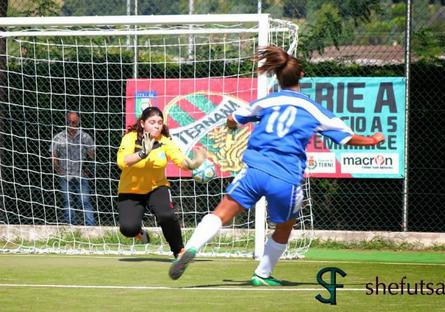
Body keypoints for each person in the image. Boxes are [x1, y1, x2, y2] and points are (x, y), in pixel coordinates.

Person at [169, 46, 385, 285]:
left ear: (277, 76)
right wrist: (372, 140)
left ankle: (192, 247)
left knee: (221, 213)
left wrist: (232, 126)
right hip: (286, 177)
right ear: (301, 75)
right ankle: (262, 274)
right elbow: (346, 137)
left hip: (254, 170)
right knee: (284, 226)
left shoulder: (268, 100)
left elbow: (234, 119)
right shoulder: (313, 108)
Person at [117, 106, 206, 258]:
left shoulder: (164, 141)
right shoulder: (130, 138)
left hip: (157, 187)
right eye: (152, 122)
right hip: (130, 190)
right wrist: (143, 153)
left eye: (159, 122)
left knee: (167, 215)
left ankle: (179, 251)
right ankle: (138, 232)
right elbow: (122, 162)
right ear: (143, 123)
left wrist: (193, 164)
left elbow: (179, 159)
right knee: (128, 229)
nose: (157, 125)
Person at [51, 111, 96, 226]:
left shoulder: (85, 137)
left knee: (85, 201)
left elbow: (92, 155)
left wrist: (89, 169)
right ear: (66, 121)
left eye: (74, 121)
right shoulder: (58, 137)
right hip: (64, 174)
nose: (72, 123)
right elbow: (54, 154)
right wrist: (56, 168)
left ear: (79, 121)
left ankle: (91, 226)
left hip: (81, 174)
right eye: (70, 121)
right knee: (68, 201)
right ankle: (71, 225)